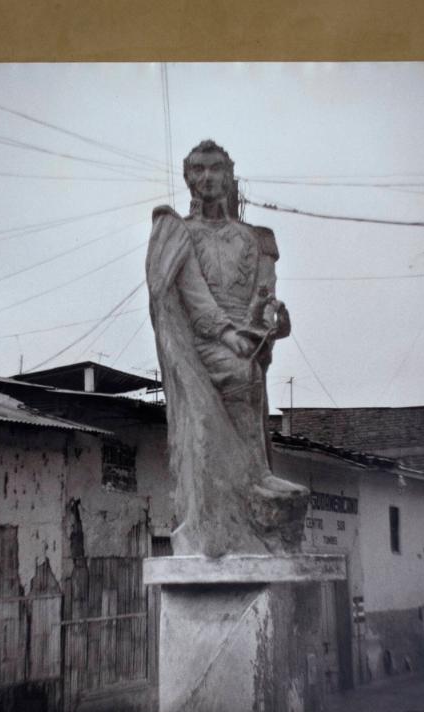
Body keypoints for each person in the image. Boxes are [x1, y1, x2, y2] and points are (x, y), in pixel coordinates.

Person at [146, 140, 308, 557]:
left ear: (230, 174)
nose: (207, 177)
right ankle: (252, 481)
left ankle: (253, 488)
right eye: (198, 169)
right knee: (240, 374)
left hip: (244, 342)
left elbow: (261, 297)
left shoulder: (252, 239)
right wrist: (227, 334)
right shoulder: (180, 234)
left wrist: (268, 322)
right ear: (187, 177)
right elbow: (194, 298)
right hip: (201, 343)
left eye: (215, 168)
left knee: (248, 373)